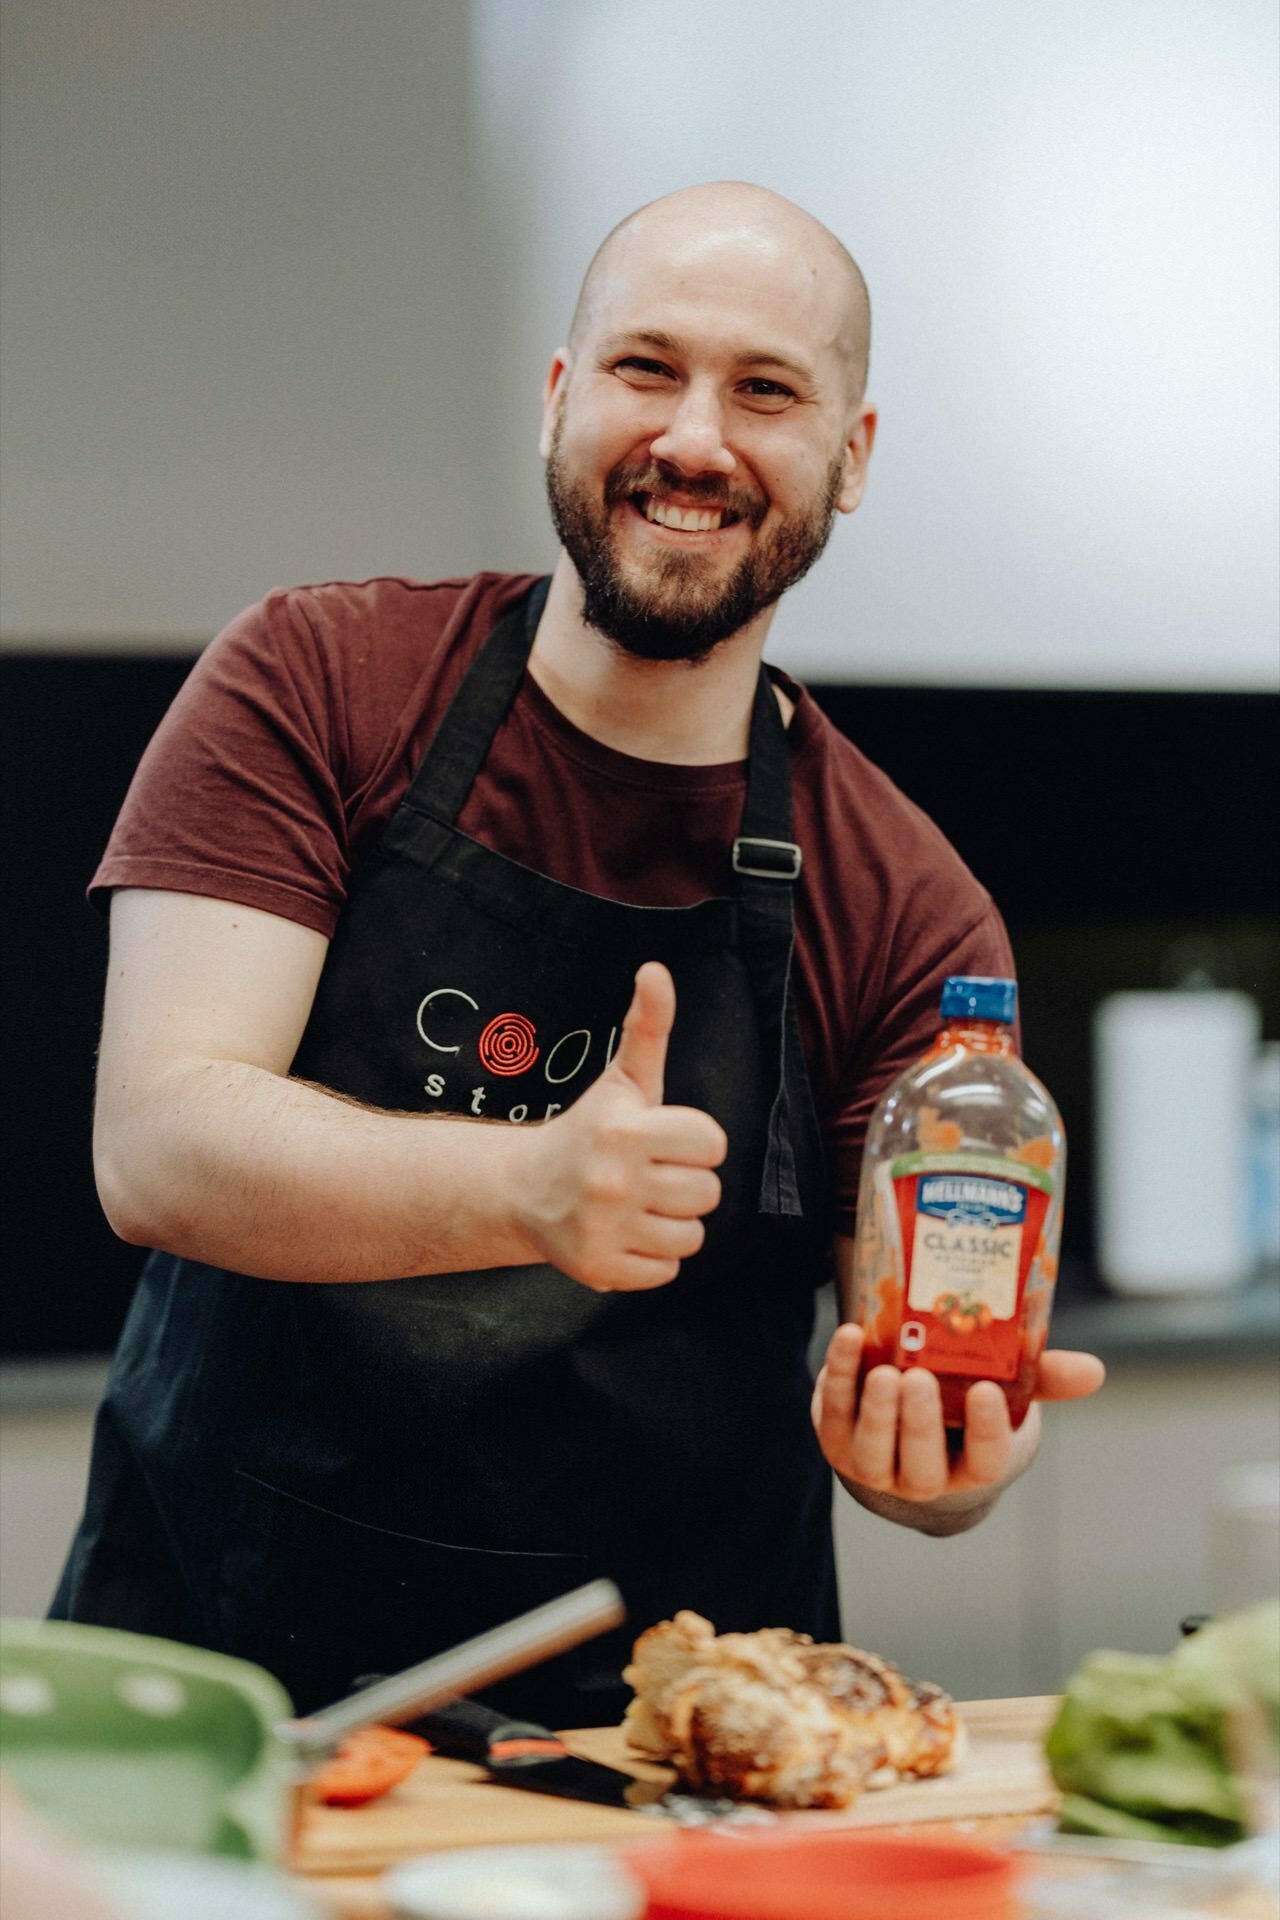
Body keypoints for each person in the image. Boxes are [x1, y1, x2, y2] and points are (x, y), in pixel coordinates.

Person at [53, 182, 1104, 1725]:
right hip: (224, 1699)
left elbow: (926, 1361)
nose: (694, 437)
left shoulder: (903, 906)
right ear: (559, 399)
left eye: (765, 390)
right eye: (643, 367)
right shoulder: (317, 686)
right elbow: (157, 1145)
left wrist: (938, 1464)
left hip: (669, 1742)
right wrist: (529, 1188)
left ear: (850, 457)